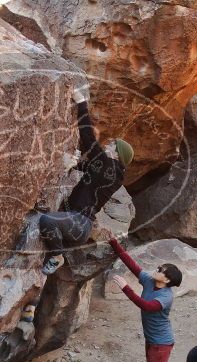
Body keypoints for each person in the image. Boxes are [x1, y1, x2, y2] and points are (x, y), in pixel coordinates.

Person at [40, 85, 134, 275]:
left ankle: (58, 256)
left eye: (112, 146)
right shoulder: (108, 171)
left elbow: (88, 138)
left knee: (47, 221)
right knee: (41, 249)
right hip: (78, 224)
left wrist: (81, 103)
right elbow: (85, 169)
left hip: (79, 222)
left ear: (117, 155)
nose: (107, 145)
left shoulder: (108, 165)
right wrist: (72, 165)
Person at [109, 238, 182, 362]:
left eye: (160, 270)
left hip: (162, 343)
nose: (156, 270)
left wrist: (126, 288)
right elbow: (132, 265)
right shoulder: (150, 281)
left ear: (166, 280)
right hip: (152, 340)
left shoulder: (165, 297)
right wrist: (113, 243)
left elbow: (146, 306)